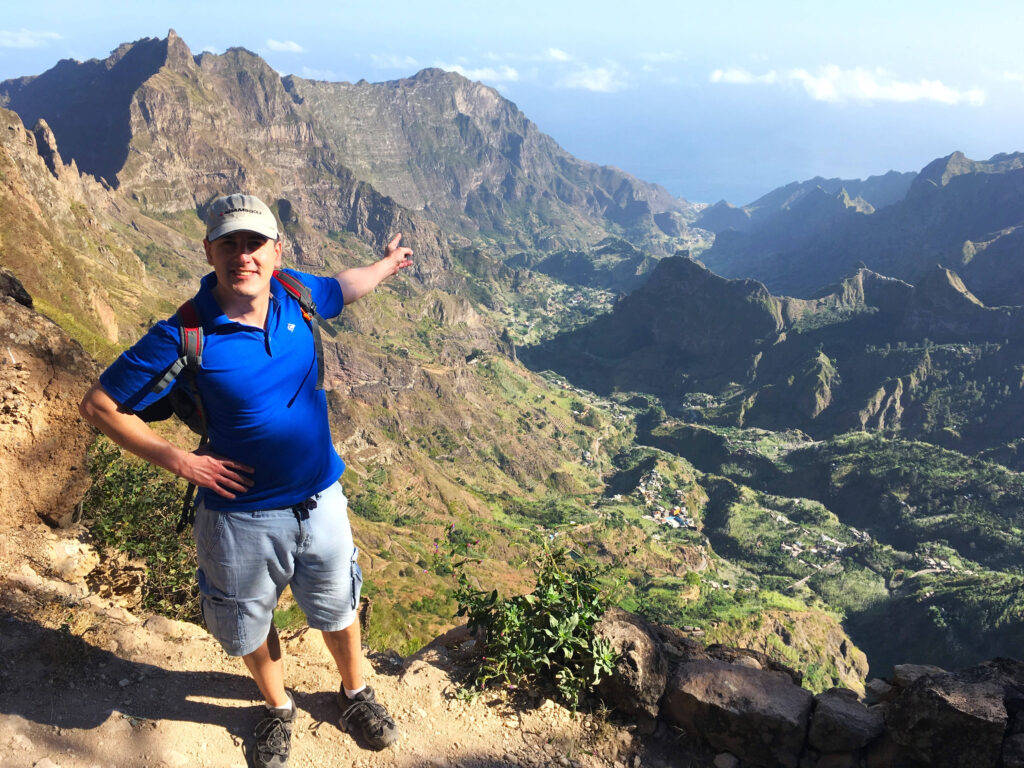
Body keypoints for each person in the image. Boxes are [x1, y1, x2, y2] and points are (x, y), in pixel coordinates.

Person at [79, 193, 413, 768]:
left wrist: (386, 265)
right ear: (209, 251)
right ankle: (277, 707)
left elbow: (343, 287)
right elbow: (100, 405)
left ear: (275, 250)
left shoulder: (295, 291)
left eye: (254, 243)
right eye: (229, 243)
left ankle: (355, 693)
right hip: (240, 517)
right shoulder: (184, 332)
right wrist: (180, 460)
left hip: (320, 498)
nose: (243, 256)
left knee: (338, 604)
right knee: (248, 618)